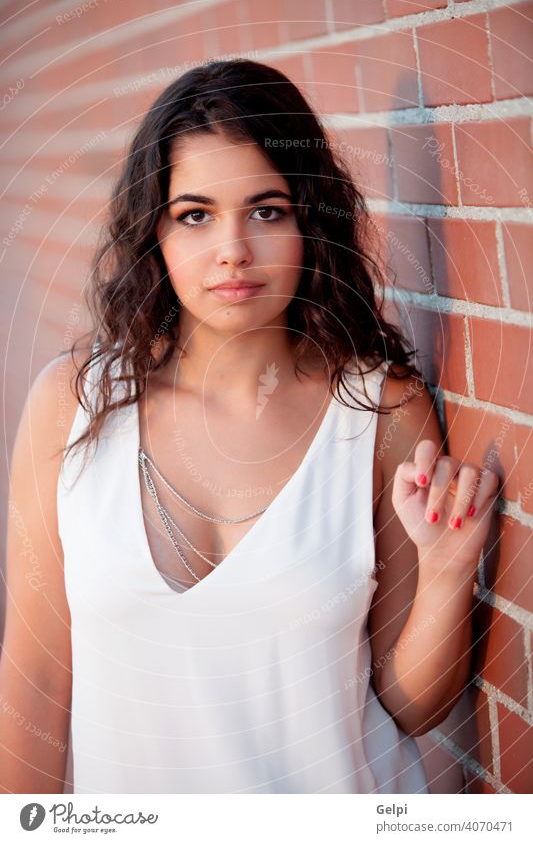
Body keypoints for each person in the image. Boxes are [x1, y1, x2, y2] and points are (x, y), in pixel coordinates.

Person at [1, 59, 499, 794]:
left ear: (307, 218)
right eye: (195, 214)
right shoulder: (71, 406)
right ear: (156, 232)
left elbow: (412, 704)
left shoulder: (380, 411)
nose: (232, 248)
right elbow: (37, 677)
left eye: (265, 209)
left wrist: (449, 573)